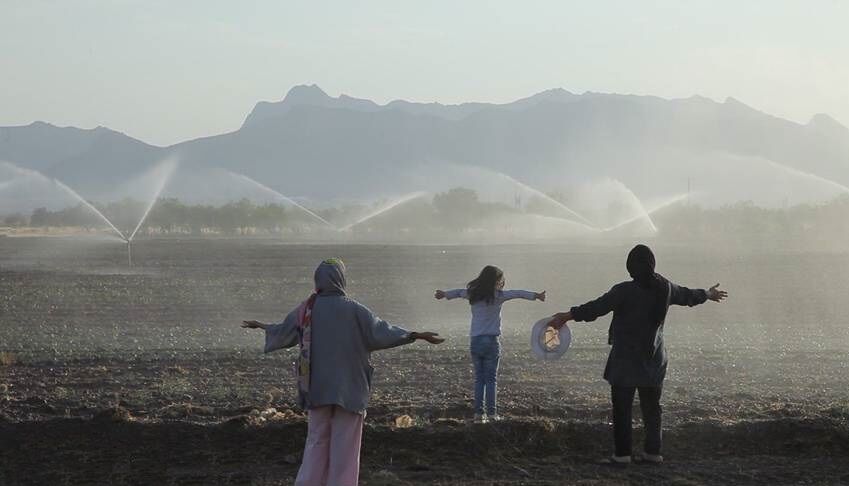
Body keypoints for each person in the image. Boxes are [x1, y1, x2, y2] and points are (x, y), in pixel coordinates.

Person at [242, 258, 444, 486]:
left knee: (316, 440)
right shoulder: (356, 310)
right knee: (346, 445)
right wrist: (413, 335)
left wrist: (263, 327)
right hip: (350, 389)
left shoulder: (307, 309)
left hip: (316, 388)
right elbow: (381, 332)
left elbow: (285, 330)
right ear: (341, 279)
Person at [550, 244, 727, 465]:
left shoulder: (624, 291)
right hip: (654, 360)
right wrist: (708, 294)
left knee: (622, 409)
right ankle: (653, 453)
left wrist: (567, 316)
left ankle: (622, 455)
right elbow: (688, 295)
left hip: (625, 361)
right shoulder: (666, 288)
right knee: (652, 409)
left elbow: (596, 308)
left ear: (630, 268)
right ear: (652, 264)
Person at [435, 265, 545, 423]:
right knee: (491, 379)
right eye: (501, 280)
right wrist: (537, 295)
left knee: (479, 379)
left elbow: (459, 292)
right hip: (491, 342)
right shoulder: (498, 295)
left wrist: (444, 294)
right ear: (496, 281)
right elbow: (518, 293)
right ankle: (492, 415)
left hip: (475, 341)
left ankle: (479, 415)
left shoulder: (473, 293)